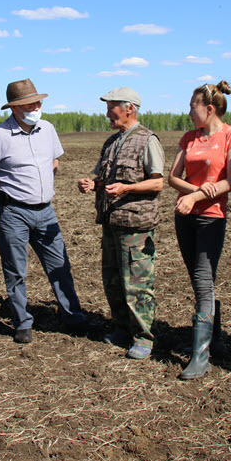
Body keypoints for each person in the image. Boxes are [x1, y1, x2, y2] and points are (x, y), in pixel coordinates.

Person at [0, 79, 87, 343]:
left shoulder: (47, 129)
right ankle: (22, 322)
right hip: (13, 214)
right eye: (30, 103)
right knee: (16, 270)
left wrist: (42, 186)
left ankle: (74, 317)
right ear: (15, 108)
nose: (37, 107)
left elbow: (55, 160)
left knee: (60, 265)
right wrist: (1, 197)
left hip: (46, 212)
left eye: (38, 102)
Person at [78, 87, 165, 360]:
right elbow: (103, 178)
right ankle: (120, 328)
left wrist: (128, 188)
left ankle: (143, 338)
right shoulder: (111, 142)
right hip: (111, 223)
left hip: (136, 227)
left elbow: (158, 182)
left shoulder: (148, 140)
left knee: (137, 285)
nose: (107, 113)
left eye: (111, 107)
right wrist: (92, 184)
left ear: (130, 108)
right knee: (113, 281)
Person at [168, 81, 231, 380]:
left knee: (202, 281)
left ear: (209, 108)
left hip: (211, 217)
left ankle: (201, 356)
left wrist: (197, 197)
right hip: (185, 216)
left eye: (192, 106)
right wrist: (195, 192)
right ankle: (217, 336)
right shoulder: (189, 137)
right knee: (202, 280)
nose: (189, 111)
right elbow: (173, 177)